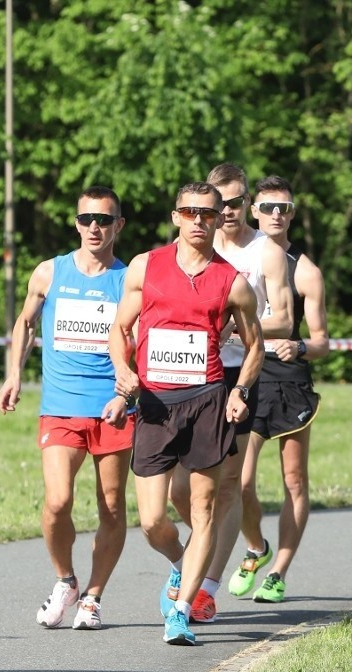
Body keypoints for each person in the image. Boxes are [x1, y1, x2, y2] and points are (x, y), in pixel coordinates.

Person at [108, 181, 264, 646]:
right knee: (153, 520)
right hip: (155, 403)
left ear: (219, 219)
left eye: (208, 213)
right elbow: (119, 328)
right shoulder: (145, 266)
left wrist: (240, 390)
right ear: (176, 216)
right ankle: (181, 564)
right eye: (190, 212)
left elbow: (255, 347)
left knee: (204, 510)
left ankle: (180, 611)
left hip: (207, 401)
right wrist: (123, 370)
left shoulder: (232, 281)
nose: (199, 220)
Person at [0, 185, 134, 630]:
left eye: (104, 219)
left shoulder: (129, 279)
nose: (94, 227)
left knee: (111, 505)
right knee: (57, 501)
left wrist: (128, 391)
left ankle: (93, 597)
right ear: (76, 223)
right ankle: (65, 580)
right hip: (61, 405)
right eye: (86, 219)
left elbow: (146, 336)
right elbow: (24, 323)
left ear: (119, 225)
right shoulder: (49, 273)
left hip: (113, 406)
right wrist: (14, 374)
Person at [168, 164, 293, 623]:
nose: (228, 212)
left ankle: (208, 585)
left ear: (247, 205)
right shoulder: (194, 245)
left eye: (238, 203)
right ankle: (200, 551)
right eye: (221, 203)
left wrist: (237, 328)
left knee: (228, 483)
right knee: (181, 487)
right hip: (191, 376)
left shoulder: (266, 253)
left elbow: (283, 318)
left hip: (242, 375)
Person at [226, 175, 329, 604]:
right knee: (241, 480)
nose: (275, 215)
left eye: (283, 208)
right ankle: (256, 548)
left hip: (287, 378)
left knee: (294, 480)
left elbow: (322, 340)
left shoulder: (305, 270)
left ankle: (279, 571)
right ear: (254, 210)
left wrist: (302, 345)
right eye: (267, 207)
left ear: (292, 213)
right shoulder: (234, 254)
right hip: (246, 374)